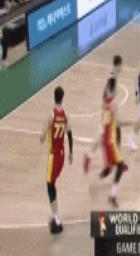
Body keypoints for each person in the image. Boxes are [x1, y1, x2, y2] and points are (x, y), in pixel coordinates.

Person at [40, 86, 73, 234]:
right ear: (62, 97)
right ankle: (56, 215)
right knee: (52, 184)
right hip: (62, 155)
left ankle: (57, 218)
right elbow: (69, 134)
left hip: (53, 156)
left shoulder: (51, 115)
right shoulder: (66, 114)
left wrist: (42, 136)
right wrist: (71, 153)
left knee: (49, 185)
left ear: (54, 96)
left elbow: (42, 135)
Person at [83, 55, 122, 174]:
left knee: (104, 138)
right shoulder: (112, 79)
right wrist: (109, 109)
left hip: (109, 111)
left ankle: (93, 156)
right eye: (121, 66)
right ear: (118, 65)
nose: (122, 68)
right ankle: (93, 156)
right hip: (107, 112)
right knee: (105, 138)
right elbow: (106, 98)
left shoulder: (114, 77)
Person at [100, 77, 128, 208]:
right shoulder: (113, 104)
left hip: (106, 138)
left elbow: (106, 121)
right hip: (111, 141)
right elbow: (118, 123)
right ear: (114, 90)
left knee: (117, 165)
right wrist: (130, 123)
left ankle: (108, 168)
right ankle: (112, 196)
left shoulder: (104, 102)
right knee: (121, 167)